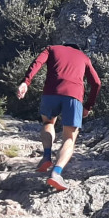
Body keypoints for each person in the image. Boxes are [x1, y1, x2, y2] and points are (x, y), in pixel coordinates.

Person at [16, 43, 101, 192]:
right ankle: (56, 173)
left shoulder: (51, 49)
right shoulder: (83, 57)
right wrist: (88, 106)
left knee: (48, 123)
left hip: (51, 92)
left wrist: (26, 82)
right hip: (74, 96)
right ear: (77, 49)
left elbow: (38, 63)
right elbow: (96, 83)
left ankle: (47, 155)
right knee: (69, 138)